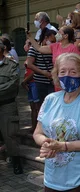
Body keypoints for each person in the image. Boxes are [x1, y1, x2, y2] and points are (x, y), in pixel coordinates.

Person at [33, 53, 80, 192]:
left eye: (73, 71)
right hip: (52, 178)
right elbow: (38, 132)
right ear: (56, 74)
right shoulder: (50, 99)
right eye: (63, 71)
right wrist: (46, 143)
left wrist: (63, 146)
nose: (67, 75)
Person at [0, 39, 23, 174]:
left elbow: (13, 83)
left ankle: (16, 162)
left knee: (10, 135)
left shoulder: (12, 65)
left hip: (7, 105)